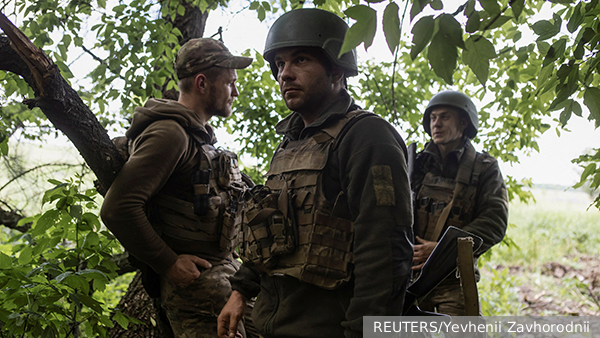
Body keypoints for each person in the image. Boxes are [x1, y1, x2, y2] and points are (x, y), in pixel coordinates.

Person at [217, 8, 414, 338]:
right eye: (279, 64)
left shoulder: (369, 137)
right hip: (272, 325)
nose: (285, 74)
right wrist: (240, 292)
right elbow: (268, 229)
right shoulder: (290, 143)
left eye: (301, 60)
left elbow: (386, 251)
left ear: (336, 68)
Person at [100, 38, 257, 337]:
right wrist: (169, 263)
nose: (235, 92)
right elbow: (118, 208)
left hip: (223, 277)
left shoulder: (195, 134)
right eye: (229, 83)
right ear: (202, 83)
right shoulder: (169, 133)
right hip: (197, 291)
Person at [410, 90, 509, 316]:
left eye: (445, 117)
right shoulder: (416, 164)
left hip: (455, 278)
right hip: (412, 276)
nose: (437, 124)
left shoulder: (484, 167)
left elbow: (494, 221)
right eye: (433, 118)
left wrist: (444, 250)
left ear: (464, 123)